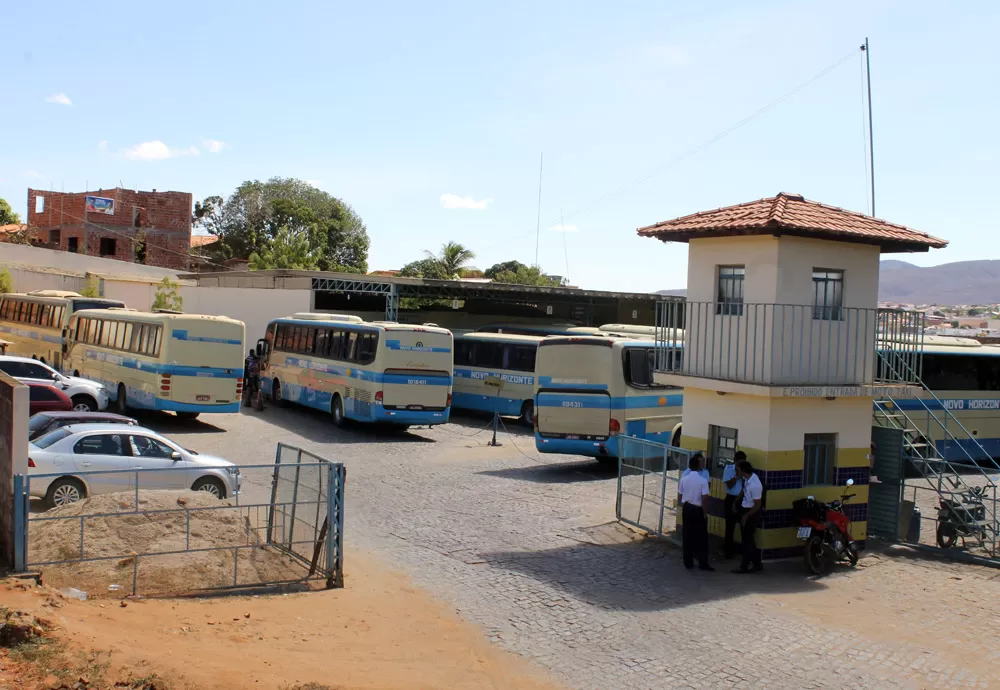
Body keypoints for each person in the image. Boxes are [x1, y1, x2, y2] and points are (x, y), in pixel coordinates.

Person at [677, 453, 714, 571]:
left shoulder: (684, 479)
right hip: (698, 509)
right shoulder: (703, 481)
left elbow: (679, 495)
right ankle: (703, 563)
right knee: (701, 537)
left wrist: (683, 505)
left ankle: (688, 562)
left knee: (687, 535)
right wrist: (705, 512)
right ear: (698, 466)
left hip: (687, 508)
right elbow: (705, 499)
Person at [732, 460, 763, 574]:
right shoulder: (747, 480)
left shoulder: (755, 484)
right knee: (748, 540)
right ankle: (757, 564)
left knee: (747, 541)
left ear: (743, 470)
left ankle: (743, 566)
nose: (736, 472)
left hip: (751, 513)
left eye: (737, 470)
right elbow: (743, 490)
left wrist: (746, 516)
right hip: (745, 509)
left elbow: (757, 505)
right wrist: (736, 501)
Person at [722, 451, 745, 559]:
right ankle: (728, 551)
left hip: (742, 500)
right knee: (730, 525)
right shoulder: (729, 469)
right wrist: (737, 476)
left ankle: (744, 551)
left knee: (744, 525)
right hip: (731, 498)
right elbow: (729, 485)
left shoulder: (746, 470)